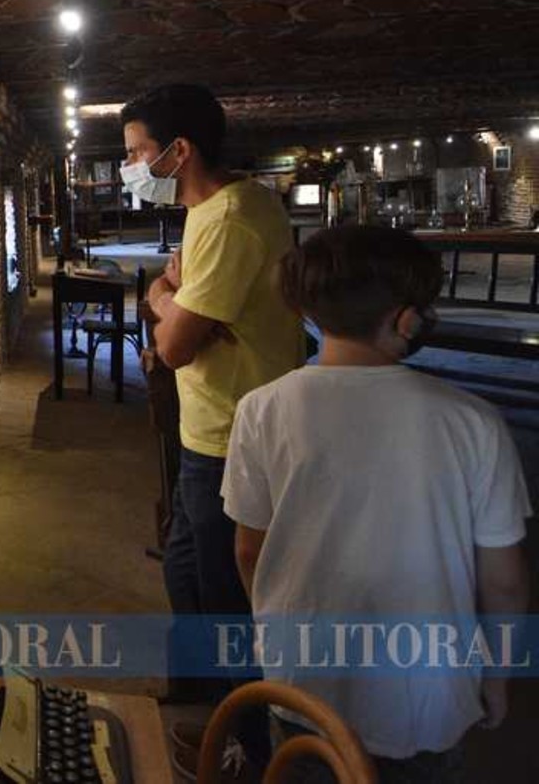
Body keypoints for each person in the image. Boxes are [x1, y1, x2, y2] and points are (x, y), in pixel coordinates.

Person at [223, 226, 530, 782]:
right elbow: (504, 582)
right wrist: (498, 676)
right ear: (406, 319)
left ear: (309, 311)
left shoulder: (261, 410)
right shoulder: (473, 422)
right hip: (432, 699)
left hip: (304, 686)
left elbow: (249, 550)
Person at [119, 84, 304, 774]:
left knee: (228, 602)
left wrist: (159, 297)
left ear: (179, 151)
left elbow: (173, 344)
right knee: (188, 571)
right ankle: (213, 710)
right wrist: (175, 303)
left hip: (233, 435)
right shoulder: (218, 207)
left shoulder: (228, 221)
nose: (132, 167)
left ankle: (251, 748)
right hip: (208, 424)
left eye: (138, 153)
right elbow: (185, 320)